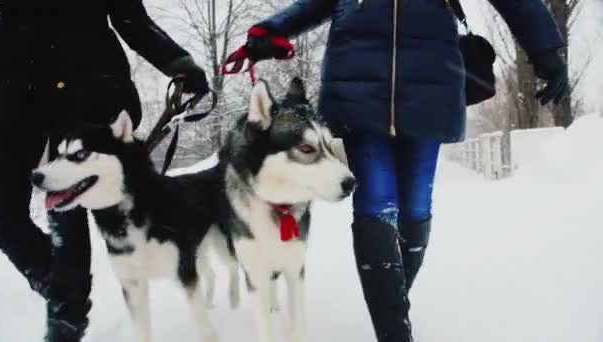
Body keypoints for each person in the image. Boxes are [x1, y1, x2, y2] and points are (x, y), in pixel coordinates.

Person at [242, 0, 567, 341]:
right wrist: (269, 30)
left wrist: (544, 47)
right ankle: (394, 332)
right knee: (376, 203)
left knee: (415, 208)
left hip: (431, 85)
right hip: (356, 86)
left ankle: (393, 304)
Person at [0, 1, 209, 341]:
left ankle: (66, 318)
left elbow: (131, 17)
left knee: (72, 193)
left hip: (89, 84)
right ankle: (60, 285)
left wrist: (178, 64)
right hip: (14, 89)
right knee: (2, 208)